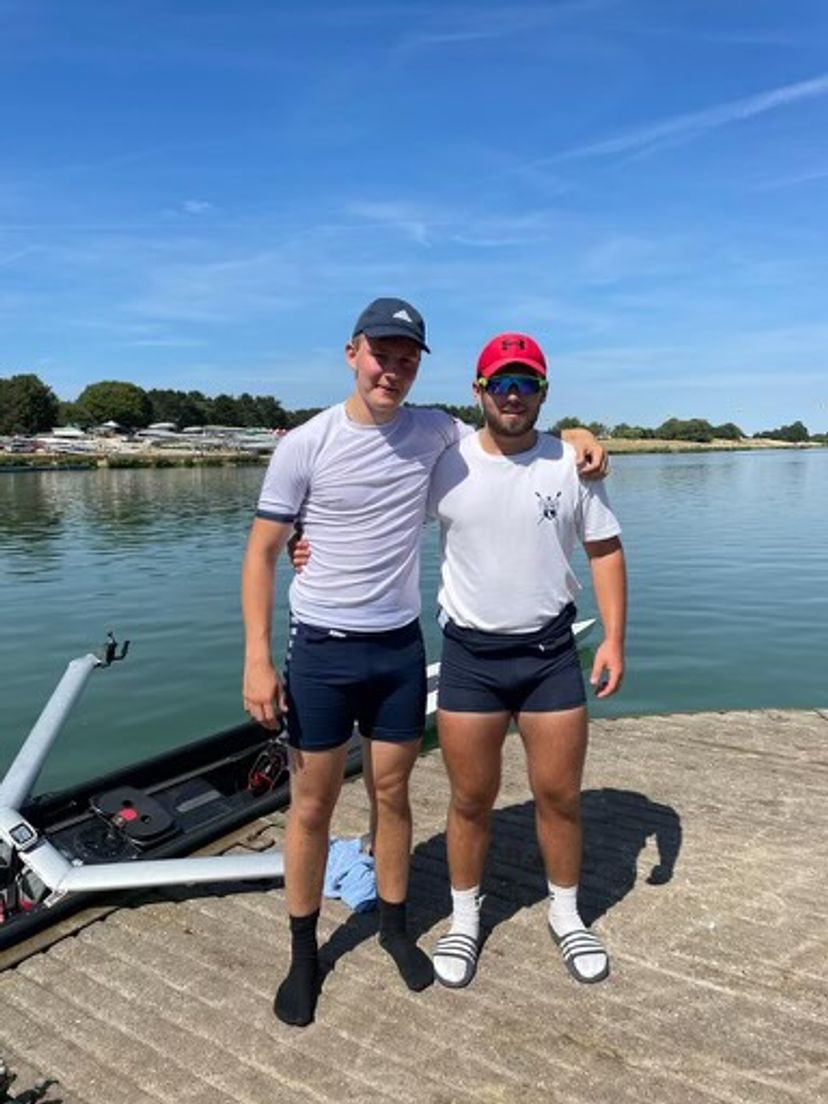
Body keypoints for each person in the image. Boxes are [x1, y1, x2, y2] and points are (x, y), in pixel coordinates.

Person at [242, 301, 606, 1027]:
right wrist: (258, 656)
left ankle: (396, 930)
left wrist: (581, 434)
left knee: (393, 794)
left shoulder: (437, 433)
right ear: (352, 353)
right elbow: (262, 551)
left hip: (399, 646)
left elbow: (514, 440)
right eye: (381, 353)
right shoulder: (305, 445)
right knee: (311, 805)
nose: (393, 368)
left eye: (408, 357)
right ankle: (303, 953)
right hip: (319, 647)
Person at [427, 332, 626, 990]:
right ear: (479, 390)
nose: (514, 395)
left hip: (549, 655)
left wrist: (615, 640)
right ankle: (463, 918)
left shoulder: (571, 462)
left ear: (543, 392)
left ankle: (567, 915)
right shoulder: (445, 456)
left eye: (528, 383)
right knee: (470, 800)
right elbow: (372, 502)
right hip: (469, 657)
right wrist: (306, 541)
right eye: (501, 383)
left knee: (560, 796)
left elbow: (604, 551)